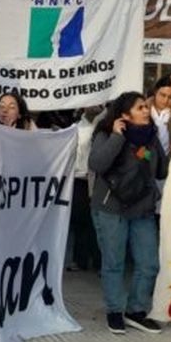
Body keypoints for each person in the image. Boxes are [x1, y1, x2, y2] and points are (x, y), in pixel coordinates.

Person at [89, 91, 167, 336]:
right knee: (114, 263)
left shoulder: (151, 138)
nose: (147, 110)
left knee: (149, 264)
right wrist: (116, 137)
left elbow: (162, 171)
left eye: (146, 106)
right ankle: (115, 311)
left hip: (141, 209)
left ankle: (136, 311)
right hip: (111, 209)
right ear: (124, 115)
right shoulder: (105, 134)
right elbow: (97, 164)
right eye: (141, 107)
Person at [68, 107, 102, 272]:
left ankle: (100, 261)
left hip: (102, 179)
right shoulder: (76, 127)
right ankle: (80, 259)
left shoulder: (107, 124)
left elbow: (149, 156)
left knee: (99, 221)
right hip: (80, 179)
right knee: (81, 220)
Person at [148, 76, 171, 155]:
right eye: (162, 95)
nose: (166, 100)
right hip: (145, 161)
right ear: (155, 92)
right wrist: (148, 159)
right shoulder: (143, 109)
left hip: (169, 161)